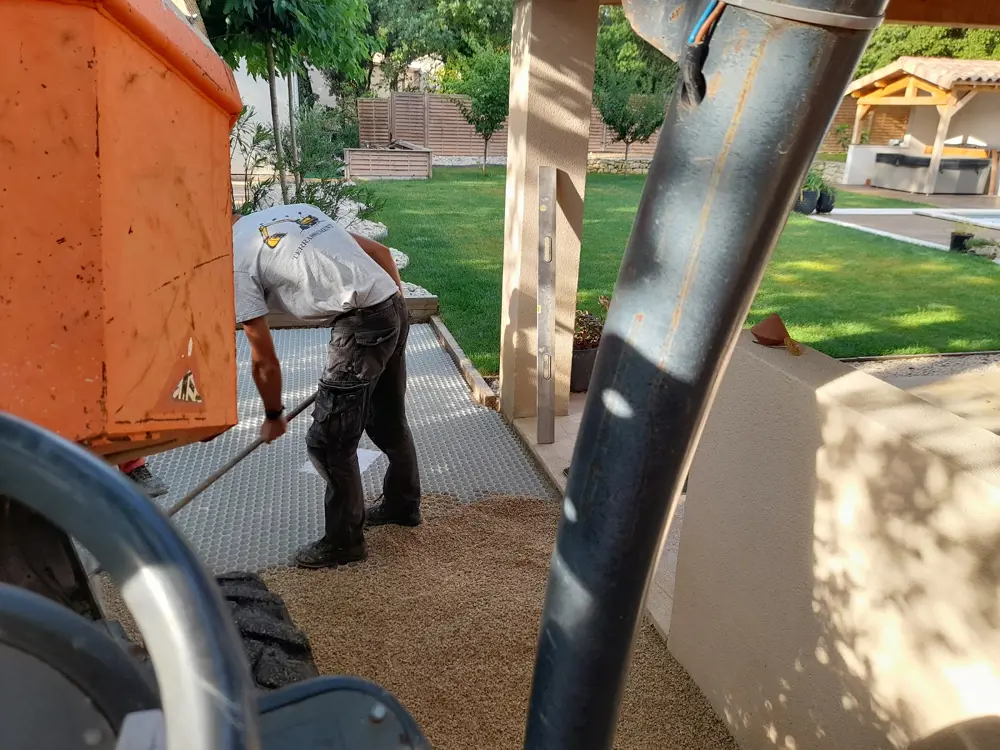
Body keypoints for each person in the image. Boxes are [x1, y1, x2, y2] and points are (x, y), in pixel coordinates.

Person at [232, 204, 421, 569]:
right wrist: (395, 321)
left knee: (328, 442)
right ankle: (402, 506)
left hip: (361, 322)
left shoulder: (236, 259)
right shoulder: (293, 211)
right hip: (392, 304)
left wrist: (273, 414)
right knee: (387, 419)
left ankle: (344, 543)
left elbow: (264, 358)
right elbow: (381, 253)